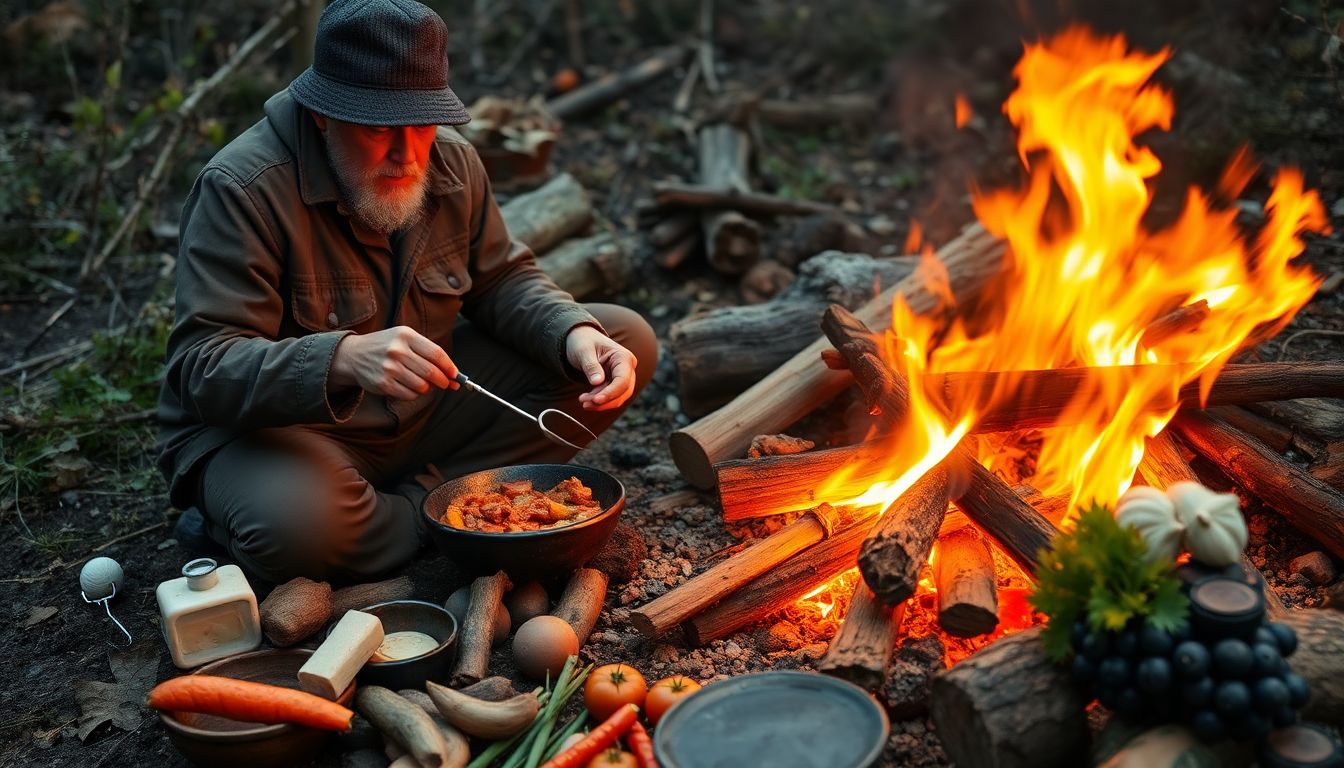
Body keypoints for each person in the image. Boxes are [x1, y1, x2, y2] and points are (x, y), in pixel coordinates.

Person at [155, 0, 656, 584]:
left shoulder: (452, 162)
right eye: (376, 129)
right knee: (298, 526)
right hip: (291, 433)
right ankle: (432, 517)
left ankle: (419, 511)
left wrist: (570, 334)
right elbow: (200, 369)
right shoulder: (244, 188)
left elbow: (501, 278)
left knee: (622, 339)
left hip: (420, 417)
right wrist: (340, 358)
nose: (406, 154)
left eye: (422, 124)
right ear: (322, 115)